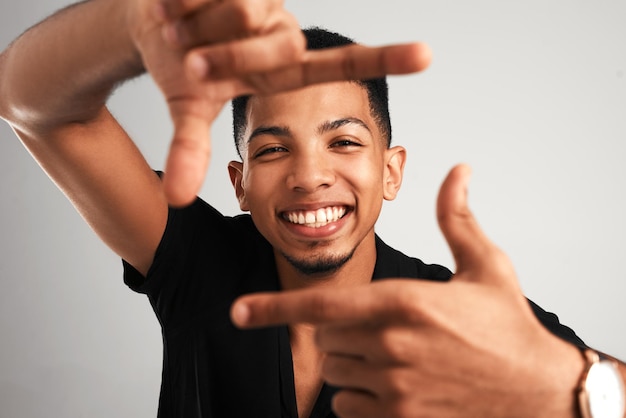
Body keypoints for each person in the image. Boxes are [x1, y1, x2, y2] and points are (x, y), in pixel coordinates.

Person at [0, 1, 624, 418]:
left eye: (345, 141)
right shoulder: (198, 261)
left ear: (391, 169)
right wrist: (134, 22)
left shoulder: (459, 317)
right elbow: (25, 99)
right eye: (274, 150)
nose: (309, 176)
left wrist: (566, 385)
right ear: (239, 184)